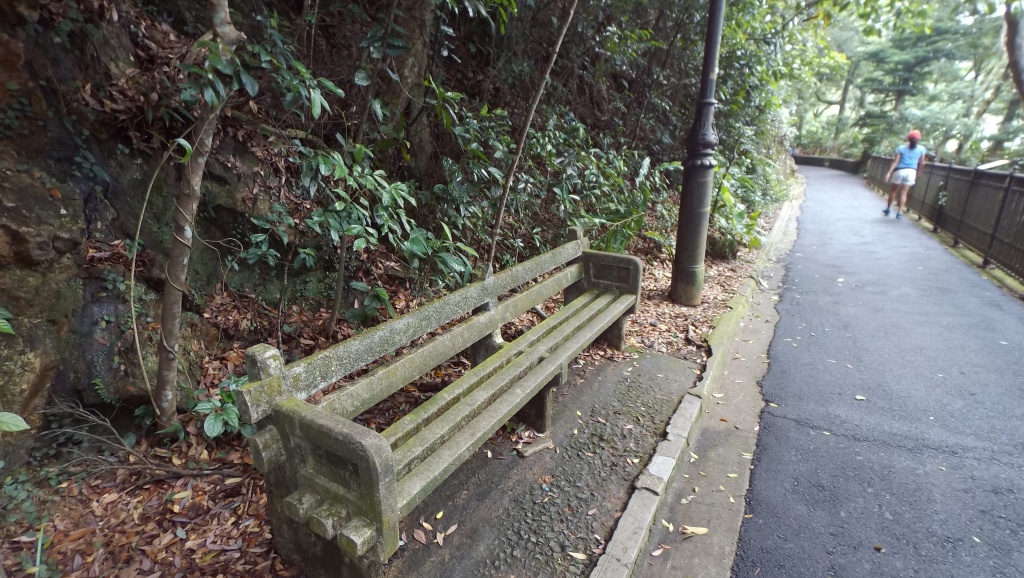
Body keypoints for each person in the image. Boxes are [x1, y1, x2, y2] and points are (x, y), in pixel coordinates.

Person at [883, 130, 927, 219]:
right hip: (911, 172)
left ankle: (888, 209)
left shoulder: (901, 148)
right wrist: (920, 172)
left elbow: (896, 161)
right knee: (904, 193)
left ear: (908, 138)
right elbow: (922, 163)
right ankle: (899, 212)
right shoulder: (922, 149)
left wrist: (888, 173)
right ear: (918, 139)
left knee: (893, 191)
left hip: (899, 171)